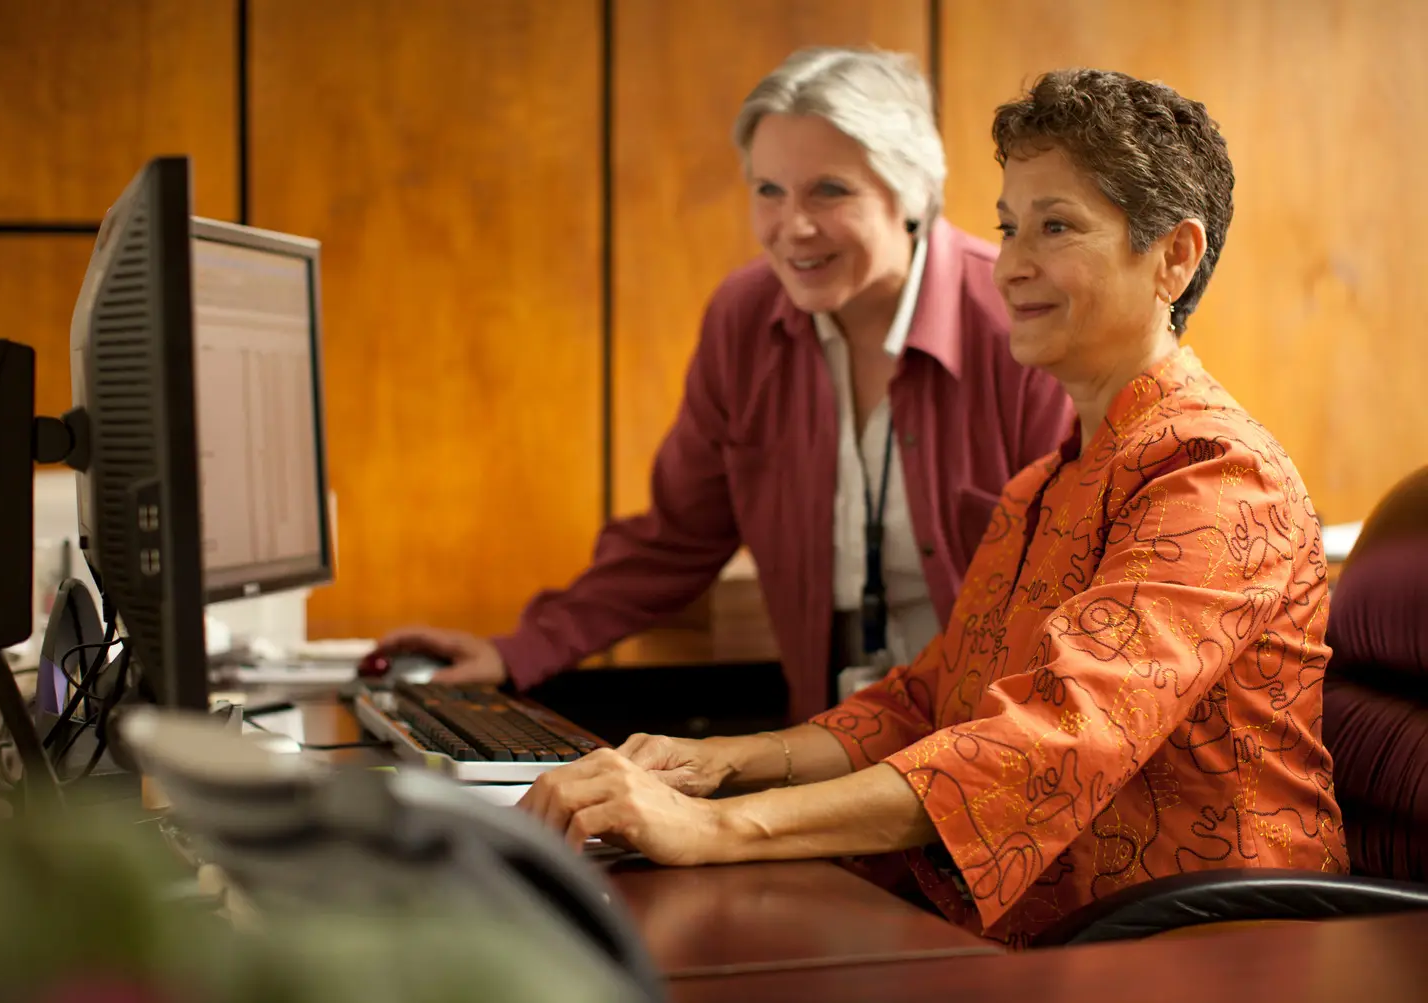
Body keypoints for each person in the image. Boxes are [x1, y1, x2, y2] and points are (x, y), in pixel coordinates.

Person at [519, 68, 1349, 946]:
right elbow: (926, 701)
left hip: (1215, 947)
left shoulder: (1215, 472)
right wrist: (720, 763)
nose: (1013, 265)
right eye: (1008, 226)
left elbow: (1055, 739)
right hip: (1052, 930)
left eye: (1056, 226)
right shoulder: (1047, 481)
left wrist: (718, 827)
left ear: (1174, 257)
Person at [379, 47, 1073, 721]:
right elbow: (675, 539)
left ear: (912, 192)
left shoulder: (1019, 319)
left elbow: (1065, 601)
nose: (791, 227)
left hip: (990, 757)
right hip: (826, 754)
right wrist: (515, 652)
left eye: (828, 190)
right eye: (768, 191)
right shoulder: (743, 320)